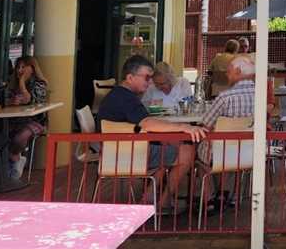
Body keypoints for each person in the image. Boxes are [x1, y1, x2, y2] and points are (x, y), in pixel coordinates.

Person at [98, 55, 207, 215]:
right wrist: (183, 127)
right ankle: (164, 201)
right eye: (146, 77)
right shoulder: (127, 99)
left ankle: (149, 198)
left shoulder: (118, 95)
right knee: (187, 152)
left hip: (113, 154)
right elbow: (147, 122)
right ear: (130, 77)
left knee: (166, 147)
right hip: (129, 156)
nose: (150, 82)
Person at [198, 54, 256, 207]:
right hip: (249, 151)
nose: (226, 74)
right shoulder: (260, 94)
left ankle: (209, 199)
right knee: (227, 152)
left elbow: (205, 125)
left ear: (238, 71)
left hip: (221, 152)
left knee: (195, 152)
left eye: (229, 71)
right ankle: (225, 194)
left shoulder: (225, 97)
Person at [5, 55, 49, 179]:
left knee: (20, 137)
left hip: (36, 121)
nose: (20, 70)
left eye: (23, 67)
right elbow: (3, 101)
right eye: (18, 67)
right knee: (3, 135)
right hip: (14, 121)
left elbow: (33, 100)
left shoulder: (40, 84)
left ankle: (14, 157)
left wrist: (22, 83)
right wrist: (11, 102)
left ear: (32, 68)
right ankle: (16, 158)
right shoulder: (11, 83)